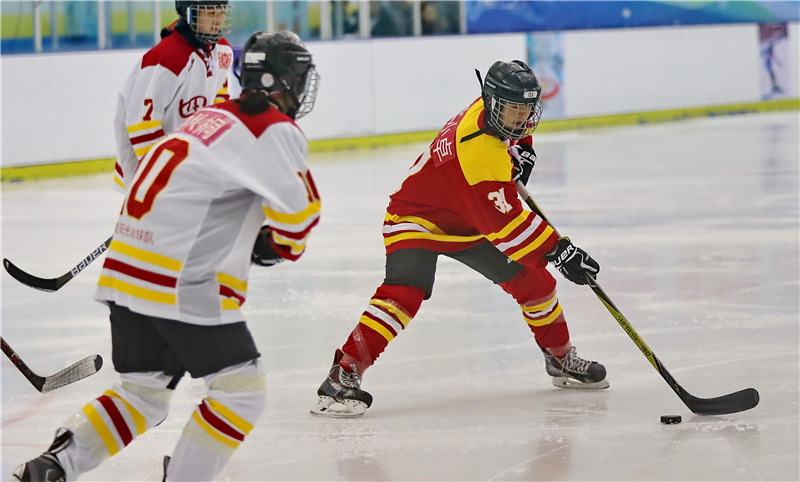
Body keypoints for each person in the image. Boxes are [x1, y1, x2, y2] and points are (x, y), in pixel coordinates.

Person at [14, 30, 321, 482]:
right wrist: (270, 244)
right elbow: (298, 223)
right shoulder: (272, 127)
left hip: (124, 268)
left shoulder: (207, 117)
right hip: (178, 279)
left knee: (143, 395)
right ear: (287, 81)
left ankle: (51, 467)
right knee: (241, 392)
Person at [311, 60, 607, 419]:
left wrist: (521, 149)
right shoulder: (478, 150)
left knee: (535, 282)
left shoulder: (492, 110)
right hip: (418, 216)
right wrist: (560, 251)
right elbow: (510, 226)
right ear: (493, 102)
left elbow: (512, 137)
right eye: (513, 109)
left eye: (527, 109)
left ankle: (560, 358)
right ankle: (342, 375)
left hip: (467, 216)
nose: (522, 117)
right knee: (405, 292)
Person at [112, 0, 235, 193]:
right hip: (151, 164)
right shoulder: (168, 57)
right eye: (211, 14)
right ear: (189, 15)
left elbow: (220, 96)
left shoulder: (223, 50)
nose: (218, 21)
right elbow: (141, 123)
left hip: (189, 160)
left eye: (221, 13)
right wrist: (163, 172)